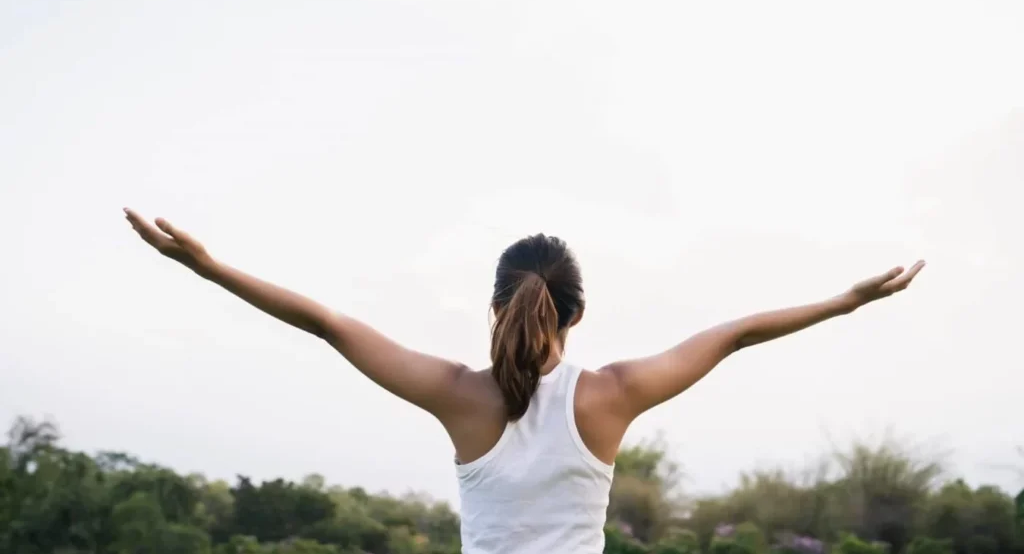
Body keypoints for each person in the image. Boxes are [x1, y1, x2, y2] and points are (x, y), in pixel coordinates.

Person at [123, 208, 925, 554]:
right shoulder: (612, 394)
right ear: (576, 312)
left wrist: (209, 267)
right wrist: (845, 302)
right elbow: (737, 333)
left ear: (495, 305)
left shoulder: (457, 394)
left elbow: (329, 324)